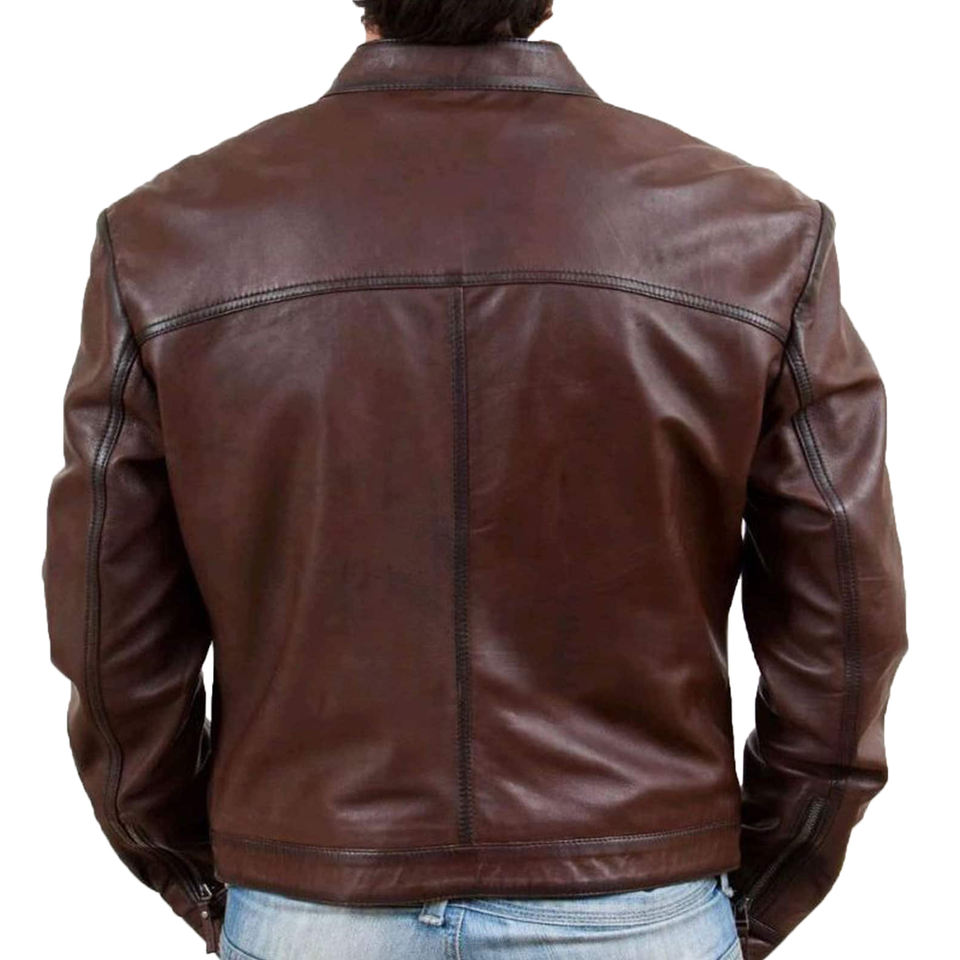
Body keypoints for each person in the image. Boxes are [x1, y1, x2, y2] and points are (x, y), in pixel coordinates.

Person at [41, 1, 909, 958]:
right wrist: (758, 888)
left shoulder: (165, 239)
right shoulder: (758, 234)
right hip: (636, 905)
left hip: (314, 906)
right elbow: (845, 624)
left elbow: (110, 634)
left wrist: (204, 869)